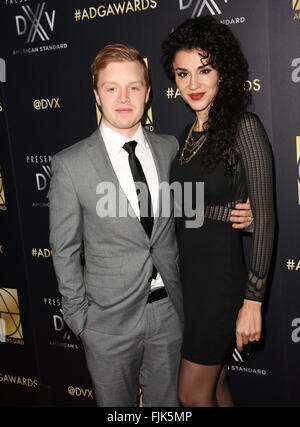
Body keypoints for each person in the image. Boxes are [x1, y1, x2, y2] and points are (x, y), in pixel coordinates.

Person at [49, 43, 253, 407]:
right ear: (97, 95)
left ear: (148, 92)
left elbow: (197, 211)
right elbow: (63, 251)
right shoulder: (70, 164)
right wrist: (80, 321)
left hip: (171, 313)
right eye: (111, 87)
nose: (123, 97)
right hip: (106, 322)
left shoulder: (171, 148)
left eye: (133, 86)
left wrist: (243, 216)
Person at [161, 16, 275, 407]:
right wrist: (225, 212)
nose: (193, 84)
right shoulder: (185, 136)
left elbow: (267, 219)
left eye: (203, 70)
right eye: (182, 74)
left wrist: (253, 302)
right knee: (216, 385)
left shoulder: (244, 127)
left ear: (222, 70)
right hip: (190, 281)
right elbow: (191, 207)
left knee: (190, 393)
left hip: (220, 283)